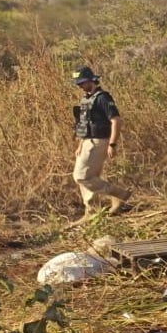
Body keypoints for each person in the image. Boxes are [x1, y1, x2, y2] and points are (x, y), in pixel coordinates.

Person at [70, 66, 130, 225]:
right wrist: (80, 144)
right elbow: (84, 124)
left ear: (91, 80)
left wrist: (113, 144)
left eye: (82, 82)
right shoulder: (87, 98)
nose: (80, 86)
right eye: (79, 83)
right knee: (87, 178)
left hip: (99, 141)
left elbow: (116, 120)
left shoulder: (102, 98)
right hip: (87, 142)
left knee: (81, 176)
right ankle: (91, 211)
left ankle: (119, 194)